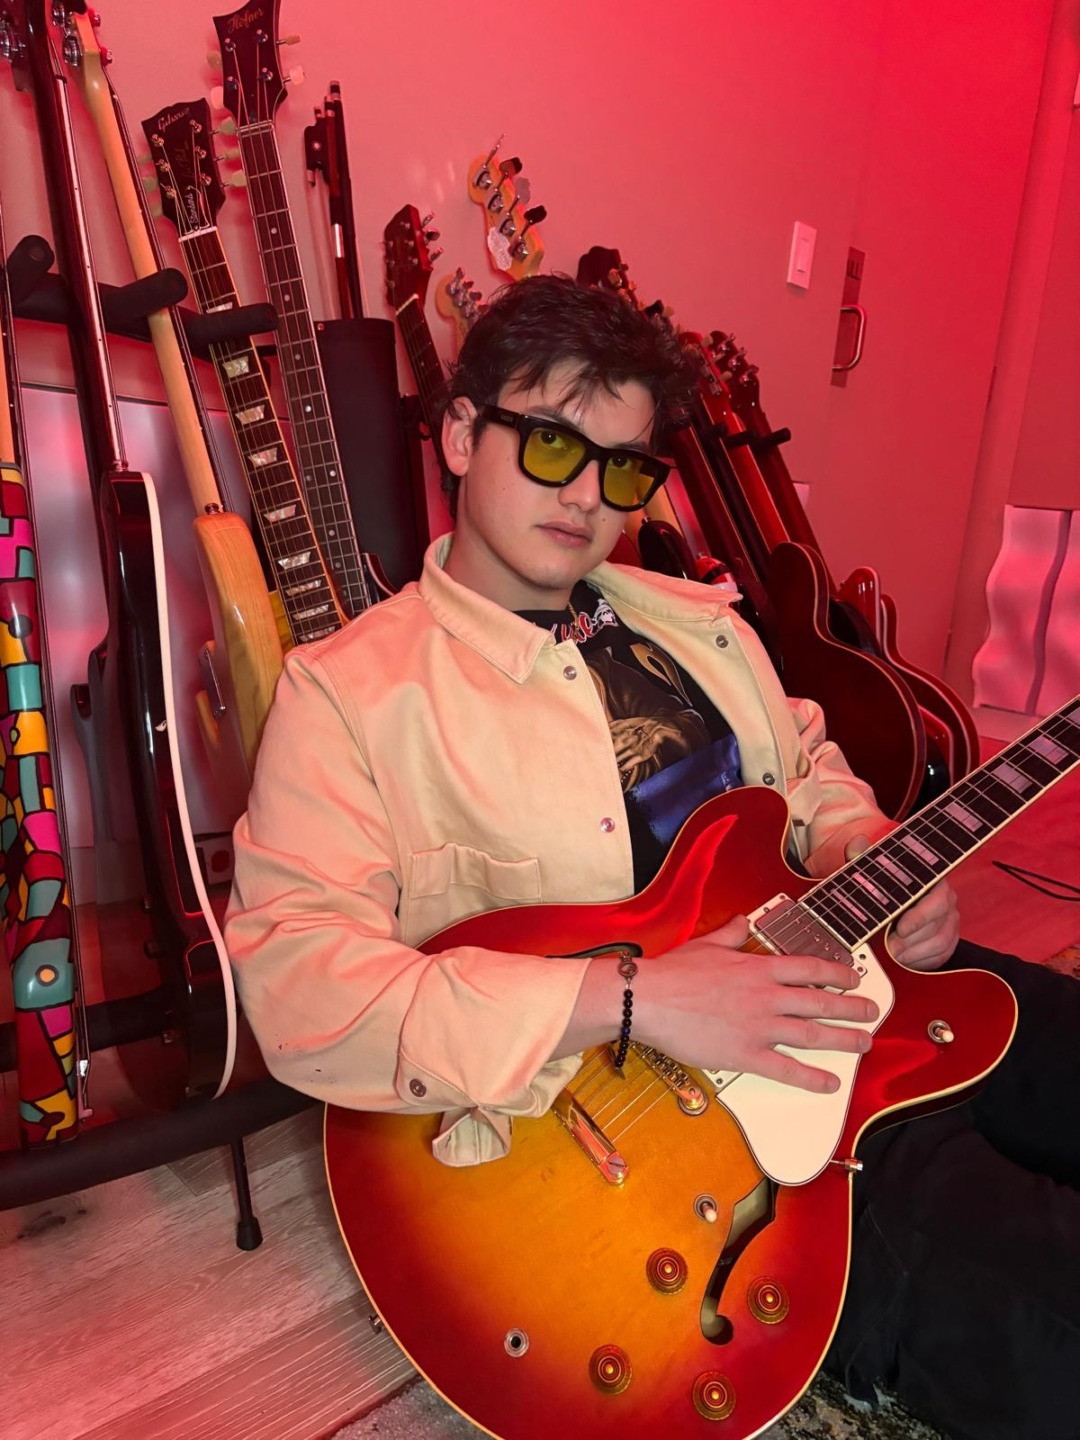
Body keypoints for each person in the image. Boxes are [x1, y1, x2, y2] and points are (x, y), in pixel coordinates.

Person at [225, 274, 1080, 1440]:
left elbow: (804, 765)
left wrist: (861, 840)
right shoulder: (351, 694)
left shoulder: (694, 619)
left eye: (623, 468)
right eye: (553, 446)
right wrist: (638, 998)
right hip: (694, 1148)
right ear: (462, 435)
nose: (589, 497)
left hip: (863, 987)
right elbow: (298, 987)